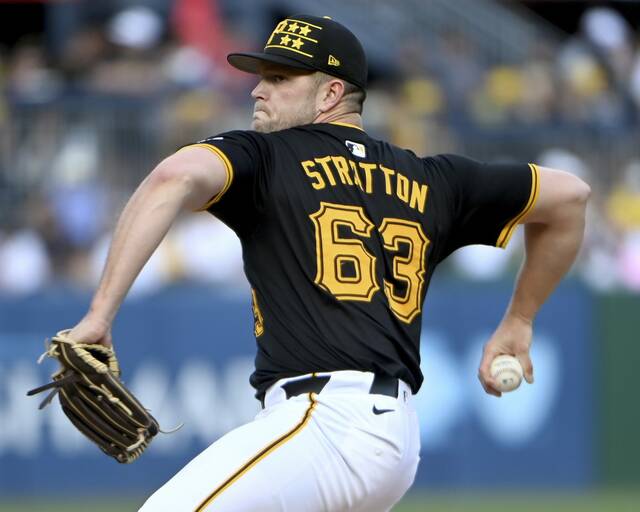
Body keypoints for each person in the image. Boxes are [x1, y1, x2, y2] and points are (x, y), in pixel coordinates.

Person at [65, 14, 590, 512]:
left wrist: (101, 315)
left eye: (279, 77)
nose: (257, 89)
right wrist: (519, 321)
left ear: (331, 92)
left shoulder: (268, 157)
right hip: (392, 437)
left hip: (326, 419)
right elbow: (570, 197)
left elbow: (170, 178)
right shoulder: (434, 179)